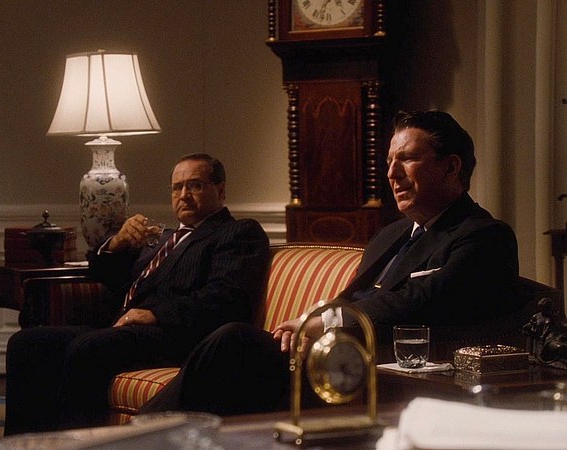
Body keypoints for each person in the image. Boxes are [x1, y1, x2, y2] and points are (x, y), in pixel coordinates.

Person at [140, 110, 523, 416]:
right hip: (328, 355)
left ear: (451, 168)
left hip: (378, 369)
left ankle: (136, 440)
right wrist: (314, 323)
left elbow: (422, 298)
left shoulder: (484, 236)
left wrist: (323, 320)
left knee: (234, 343)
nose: (391, 173)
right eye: (389, 161)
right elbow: (352, 296)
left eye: (406, 159)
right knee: (229, 362)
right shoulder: (390, 235)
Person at [4, 153, 270, 434]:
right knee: (27, 343)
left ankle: (81, 445)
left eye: (195, 185)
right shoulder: (163, 238)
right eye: (177, 188)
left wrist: (154, 314)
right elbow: (107, 275)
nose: (184, 195)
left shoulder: (237, 232)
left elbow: (226, 297)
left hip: (178, 335)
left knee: (89, 349)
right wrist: (116, 243)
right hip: (124, 330)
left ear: (221, 190)